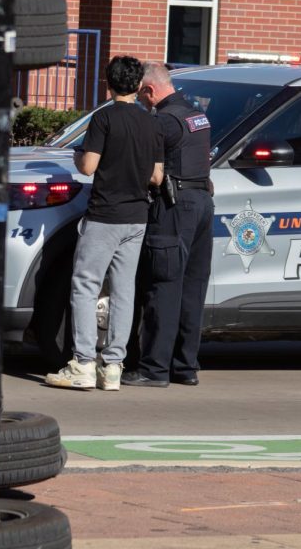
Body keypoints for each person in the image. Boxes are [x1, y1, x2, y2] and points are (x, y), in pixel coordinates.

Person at [44, 56, 163, 392]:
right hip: (137, 217)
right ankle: (113, 366)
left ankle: (82, 363)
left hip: (104, 215)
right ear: (139, 86)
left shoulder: (104, 118)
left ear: (108, 84)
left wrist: (79, 155)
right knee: (124, 291)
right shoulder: (151, 123)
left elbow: (88, 167)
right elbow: (157, 175)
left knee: (85, 286)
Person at [122, 63, 215, 388]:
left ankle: (153, 369)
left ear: (149, 90)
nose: (141, 102)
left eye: (142, 96)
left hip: (174, 207)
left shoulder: (163, 120)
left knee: (162, 285)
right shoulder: (195, 114)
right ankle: (184, 367)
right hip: (202, 203)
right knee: (192, 289)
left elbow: (143, 164)